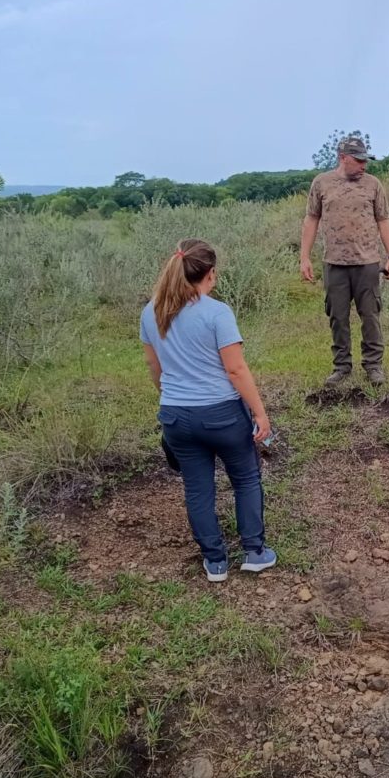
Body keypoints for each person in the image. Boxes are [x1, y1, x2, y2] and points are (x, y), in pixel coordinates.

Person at [140, 239, 277, 582]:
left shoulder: (151, 311)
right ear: (210, 274)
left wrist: (171, 397)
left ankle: (215, 561)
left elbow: (154, 366)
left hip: (175, 414)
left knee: (197, 487)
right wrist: (260, 413)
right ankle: (255, 552)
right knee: (245, 478)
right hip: (222, 414)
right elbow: (236, 370)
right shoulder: (218, 312)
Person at [300, 136, 389, 387]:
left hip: (367, 262)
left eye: (366, 160)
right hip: (334, 264)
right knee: (338, 317)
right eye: (358, 160)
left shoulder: (373, 184)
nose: (364, 165)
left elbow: (383, 220)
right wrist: (304, 257)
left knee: (370, 315)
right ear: (343, 158)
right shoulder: (322, 183)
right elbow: (311, 219)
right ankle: (341, 366)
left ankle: (373, 366)